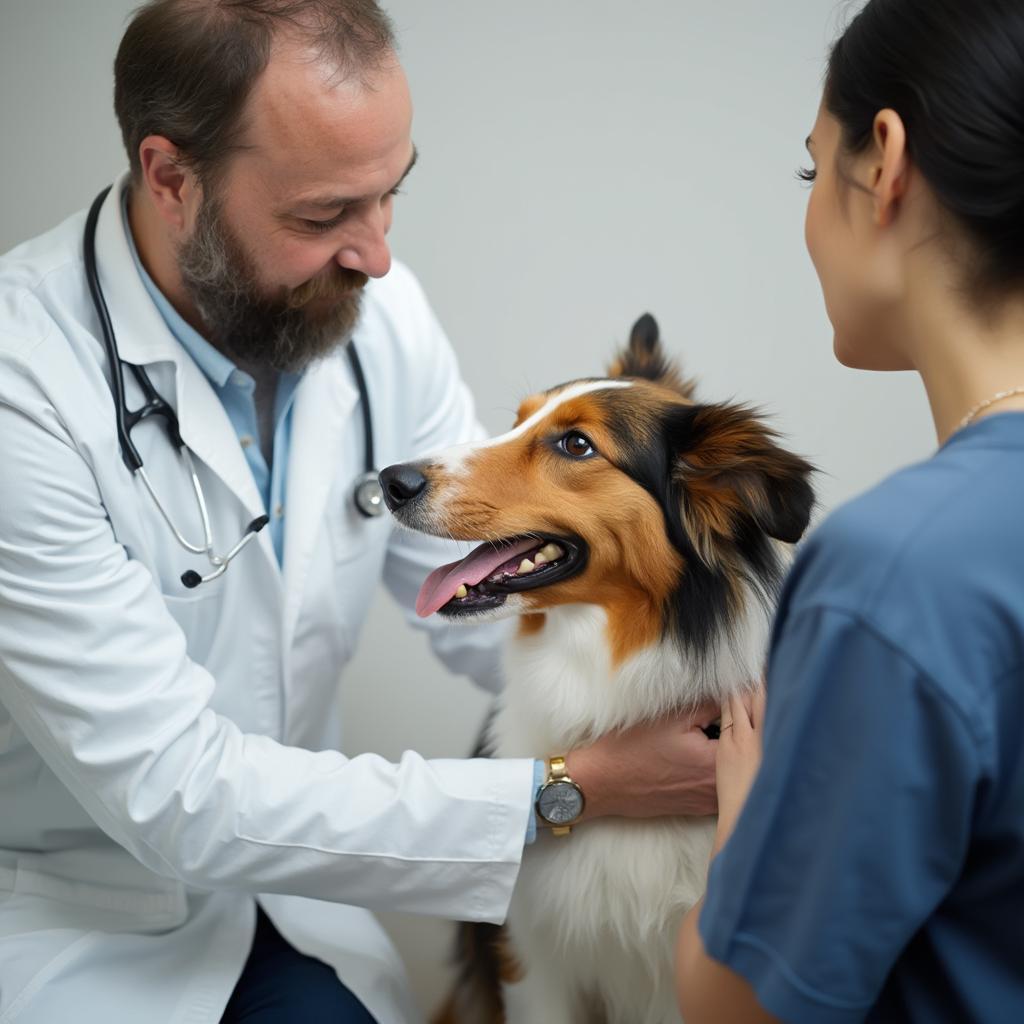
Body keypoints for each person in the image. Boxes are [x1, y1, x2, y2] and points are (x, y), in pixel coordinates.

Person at [0, 2, 721, 1023]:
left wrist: (699, 697)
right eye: (322, 215)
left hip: (298, 901)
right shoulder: (21, 388)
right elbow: (179, 793)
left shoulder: (376, 318)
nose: (376, 256)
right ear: (171, 179)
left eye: (391, 194)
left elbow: (482, 598)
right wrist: (570, 787)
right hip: (90, 925)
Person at [675, 0, 1024, 1020]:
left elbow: (735, 1006)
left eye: (809, 167)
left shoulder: (898, 573)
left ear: (883, 162)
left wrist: (746, 816)